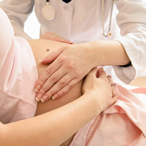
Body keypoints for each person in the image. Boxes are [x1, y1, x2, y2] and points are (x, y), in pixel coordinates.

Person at [0, 8, 146, 146]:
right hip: (91, 126)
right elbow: (5, 140)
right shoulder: (96, 101)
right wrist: (95, 101)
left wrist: (95, 53)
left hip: (109, 100)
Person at [1, 0, 146, 102]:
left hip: (103, 72)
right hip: (49, 68)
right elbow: (6, 16)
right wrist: (34, 46)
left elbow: (143, 36)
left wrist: (94, 54)